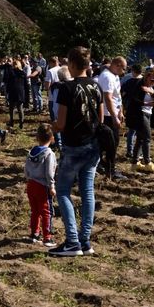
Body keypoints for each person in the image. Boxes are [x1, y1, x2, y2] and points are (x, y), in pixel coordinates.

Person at [50, 46, 103, 257]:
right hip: (93, 146)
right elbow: (99, 118)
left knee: (63, 191)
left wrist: (52, 126)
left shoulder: (66, 88)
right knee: (87, 192)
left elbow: (61, 124)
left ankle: (72, 241)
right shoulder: (96, 87)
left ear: (71, 64)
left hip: (73, 146)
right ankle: (85, 240)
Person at [25, 123, 57, 247]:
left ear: (37, 137)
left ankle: (34, 233)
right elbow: (49, 172)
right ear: (52, 138)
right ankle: (47, 237)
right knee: (46, 211)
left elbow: (26, 168)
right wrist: (52, 186)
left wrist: (29, 178)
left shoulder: (32, 151)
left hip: (31, 184)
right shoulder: (49, 153)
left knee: (35, 210)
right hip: (42, 186)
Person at [96, 57, 127, 180]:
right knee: (110, 144)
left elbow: (117, 96)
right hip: (108, 116)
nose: (124, 71)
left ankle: (104, 166)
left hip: (114, 113)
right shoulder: (107, 77)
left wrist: (121, 111)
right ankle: (110, 170)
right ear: (117, 65)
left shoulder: (115, 76)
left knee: (113, 143)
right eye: (123, 68)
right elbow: (107, 98)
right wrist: (114, 116)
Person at [124, 66, 154, 172]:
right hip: (140, 113)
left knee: (140, 138)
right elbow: (133, 100)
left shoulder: (152, 86)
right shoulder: (139, 84)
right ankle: (147, 162)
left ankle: (135, 163)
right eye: (152, 79)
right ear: (147, 76)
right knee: (147, 137)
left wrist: (152, 92)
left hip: (148, 113)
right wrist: (146, 103)